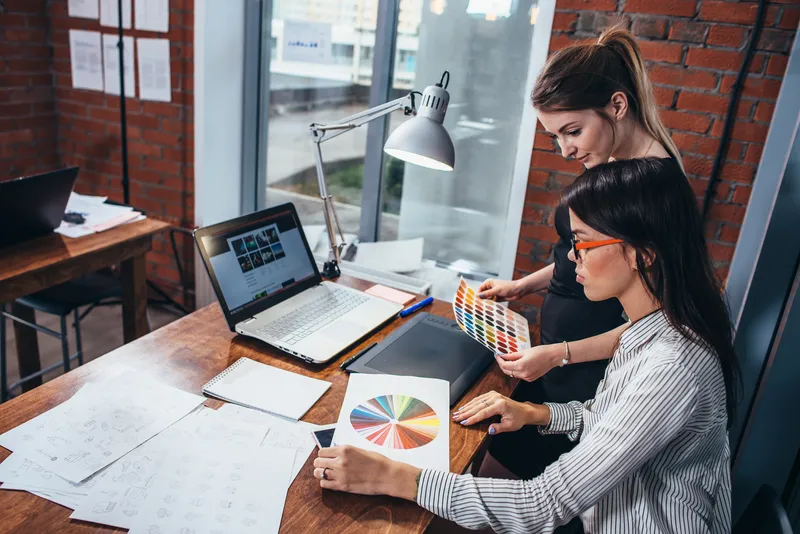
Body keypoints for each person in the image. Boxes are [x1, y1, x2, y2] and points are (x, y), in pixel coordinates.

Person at [313, 157, 738, 533]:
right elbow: (613, 421)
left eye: (583, 243)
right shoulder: (651, 327)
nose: (572, 258)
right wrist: (534, 412)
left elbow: (542, 505)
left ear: (641, 254)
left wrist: (392, 476)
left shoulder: (672, 365)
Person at [476, 25, 687, 496]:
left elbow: (655, 324)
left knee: (512, 488)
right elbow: (583, 255)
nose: (566, 149)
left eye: (572, 131)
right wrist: (522, 286)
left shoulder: (651, 191)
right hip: (551, 360)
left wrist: (560, 354)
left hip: (582, 374)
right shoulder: (610, 164)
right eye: (555, 136)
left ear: (617, 105)